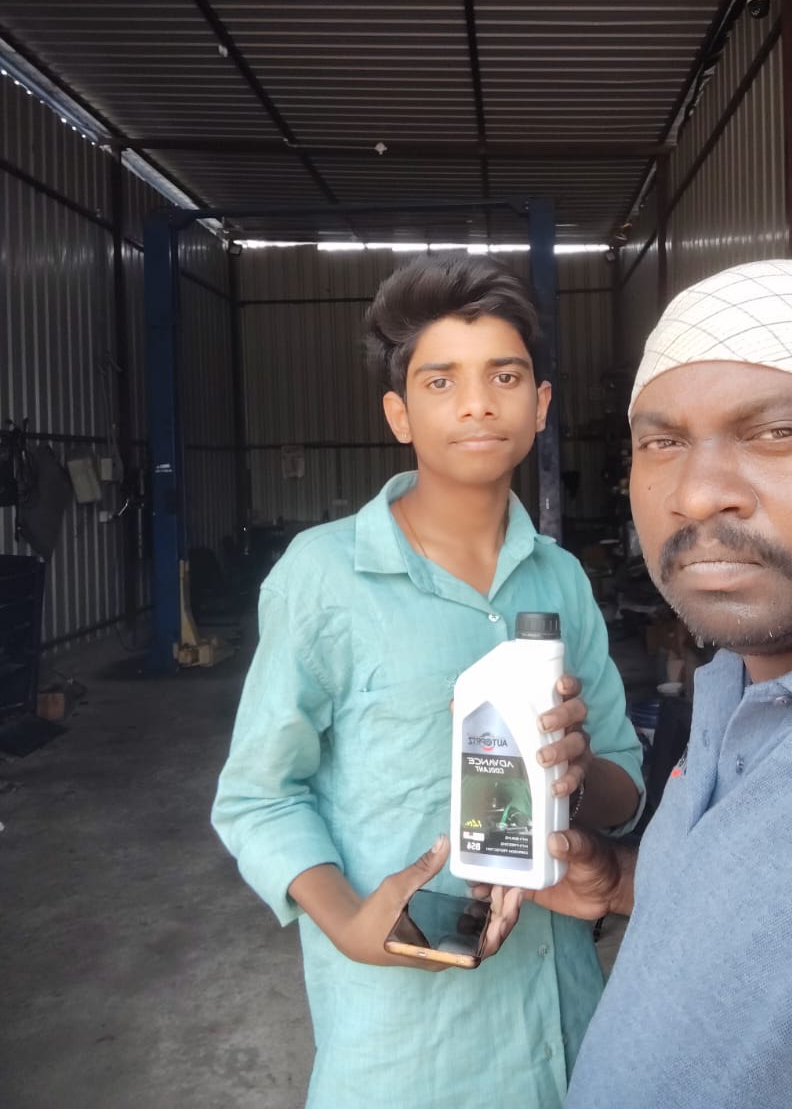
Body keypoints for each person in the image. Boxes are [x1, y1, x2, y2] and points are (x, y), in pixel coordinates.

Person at [514, 260, 792, 1108]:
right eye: (663, 443)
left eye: (776, 432)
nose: (695, 494)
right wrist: (626, 880)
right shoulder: (741, 677)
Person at [211, 254, 644, 1109]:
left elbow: (623, 792)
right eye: (441, 381)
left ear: (540, 406)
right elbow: (259, 795)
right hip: (406, 1046)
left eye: (504, 377)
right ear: (399, 415)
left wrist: (578, 769)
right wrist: (346, 922)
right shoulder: (324, 577)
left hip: (566, 1026)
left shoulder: (561, 580)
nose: (477, 403)